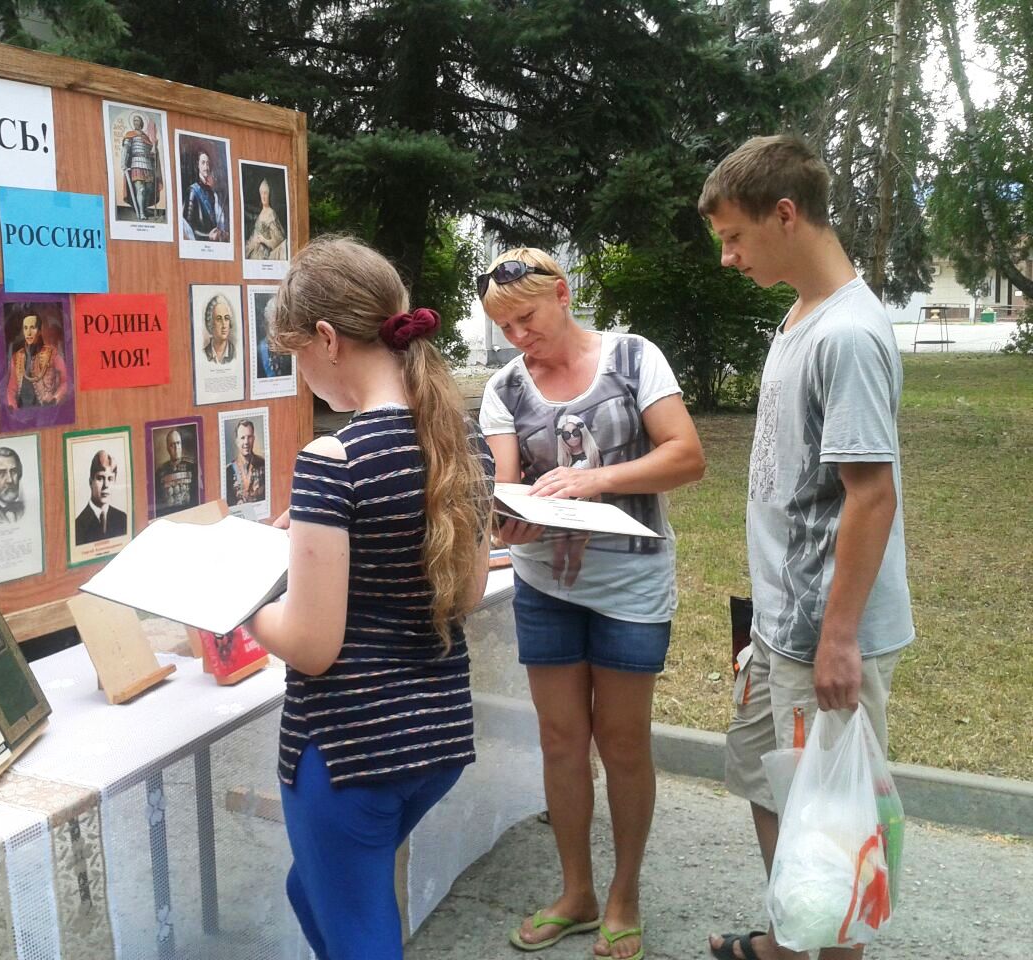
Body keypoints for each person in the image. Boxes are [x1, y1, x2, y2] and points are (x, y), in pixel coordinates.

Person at [245, 236, 494, 960]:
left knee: (359, 932)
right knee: (312, 890)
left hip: (349, 751)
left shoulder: (335, 459)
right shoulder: (462, 443)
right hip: (435, 739)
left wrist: (242, 600)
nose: (300, 375)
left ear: (327, 340)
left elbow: (312, 646)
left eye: (296, 355)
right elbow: (467, 591)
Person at [698, 136, 914, 960]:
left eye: (735, 237)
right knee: (769, 779)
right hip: (781, 625)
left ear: (785, 215)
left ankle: (827, 948)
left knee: (835, 817)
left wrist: (838, 640)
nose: (727, 257)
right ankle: (792, 937)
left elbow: (871, 494)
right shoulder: (798, 317)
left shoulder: (847, 335)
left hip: (824, 631)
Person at [478, 247, 705, 960]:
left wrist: (593, 480)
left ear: (563, 295)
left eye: (526, 318)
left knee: (624, 742)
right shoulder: (504, 389)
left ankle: (623, 895)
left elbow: (687, 455)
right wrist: (507, 520)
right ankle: (576, 892)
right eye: (504, 327)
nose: (518, 337)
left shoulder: (633, 359)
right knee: (560, 739)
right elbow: (506, 487)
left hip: (631, 584)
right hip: (545, 585)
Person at [7, 311, 69, 409]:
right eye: (25, 328)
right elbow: (11, 389)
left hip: (46, 410)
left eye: (32, 327)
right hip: (23, 412)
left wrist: (55, 399)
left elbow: (66, 381)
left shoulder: (52, 353)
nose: (29, 333)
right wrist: (12, 407)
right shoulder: (16, 357)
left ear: (40, 330)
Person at [74, 450, 129, 544]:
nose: (106, 485)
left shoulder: (123, 519)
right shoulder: (78, 525)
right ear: (90, 482)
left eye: (110, 479)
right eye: (100, 478)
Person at [120, 113, 160, 221]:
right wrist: (123, 162)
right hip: (136, 163)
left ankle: (145, 208)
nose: (135, 122)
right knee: (141, 189)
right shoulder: (130, 134)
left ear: (141, 123)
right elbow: (126, 149)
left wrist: (155, 149)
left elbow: (151, 154)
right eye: (134, 120)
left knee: (149, 189)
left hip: (148, 165)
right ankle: (141, 212)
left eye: (137, 120)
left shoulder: (146, 137)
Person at [183, 149, 229, 242]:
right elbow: (188, 228)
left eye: (207, 163)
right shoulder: (192, 191)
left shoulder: (211, 192)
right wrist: (208, 236)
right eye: (203, 163)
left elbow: (216, 223)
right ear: (198, 165)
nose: (206, 167)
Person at [154, 428, 198, 513]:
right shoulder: (160, 472)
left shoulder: (192, 467)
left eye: (178, 443)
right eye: (172, 445)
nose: (176, 447)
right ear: (168, 448)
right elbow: (159, 502)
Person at [225, 419, 266, 507]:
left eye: (249, 437)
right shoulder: (228, 471)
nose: (246, 442)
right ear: (237, 441)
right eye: (242, 438)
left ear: (253, 439)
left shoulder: (264, 465)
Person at [244, 178, 288, 260]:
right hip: (254, 251)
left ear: (269, 195)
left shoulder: (271, 213)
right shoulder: (261, 213)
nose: (263, 196)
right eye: (261, 193)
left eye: (265, 193)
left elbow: (278, 240)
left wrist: (264, 240)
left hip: (264, 255)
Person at [256, 295, 290, 378]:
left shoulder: (288, 346)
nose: (277, 328)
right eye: (274, 322)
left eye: (280, 321)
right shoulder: (260, 350)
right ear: (267, 322)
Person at [202, 293, 237, 364]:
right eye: (219, 319)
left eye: (226, 318)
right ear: (211, 323)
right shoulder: (203, 354)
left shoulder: (235, 353)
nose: (224, 325)